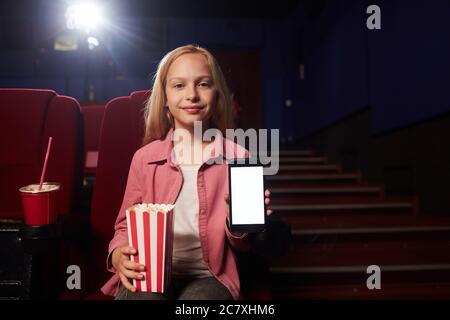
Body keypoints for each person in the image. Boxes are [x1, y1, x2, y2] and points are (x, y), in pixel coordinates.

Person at [100, 44, 272, 300]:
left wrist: (240, 223)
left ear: (217, 95)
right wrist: (117, 252)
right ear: (165, 99)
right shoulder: (144, 158)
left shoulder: (239, 157)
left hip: (209, 276)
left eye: (203, 84)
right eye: (179, 85)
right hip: (148, 270)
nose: (192, 94)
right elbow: (125, 225)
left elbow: (243, 244)